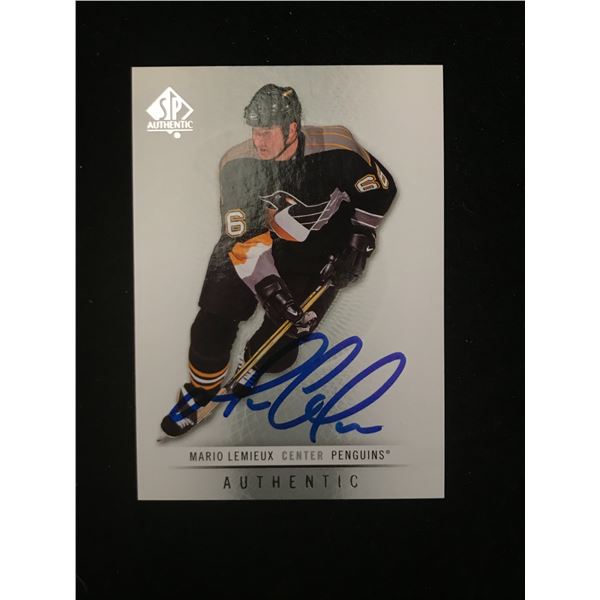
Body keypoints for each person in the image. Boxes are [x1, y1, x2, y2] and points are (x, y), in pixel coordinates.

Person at [160, 83, 397, 437]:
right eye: (255, 131)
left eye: (268, 131)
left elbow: (380, 190)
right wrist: (270, 289)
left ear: (292, 128)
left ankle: (253, 361)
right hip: (251, 244)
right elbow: (241, 238)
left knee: (281, 348)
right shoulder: (236, 165)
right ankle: (200, 393)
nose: (259, 140)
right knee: (210, 325)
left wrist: (360, 239)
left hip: (317, 249)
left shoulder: (338, 148)